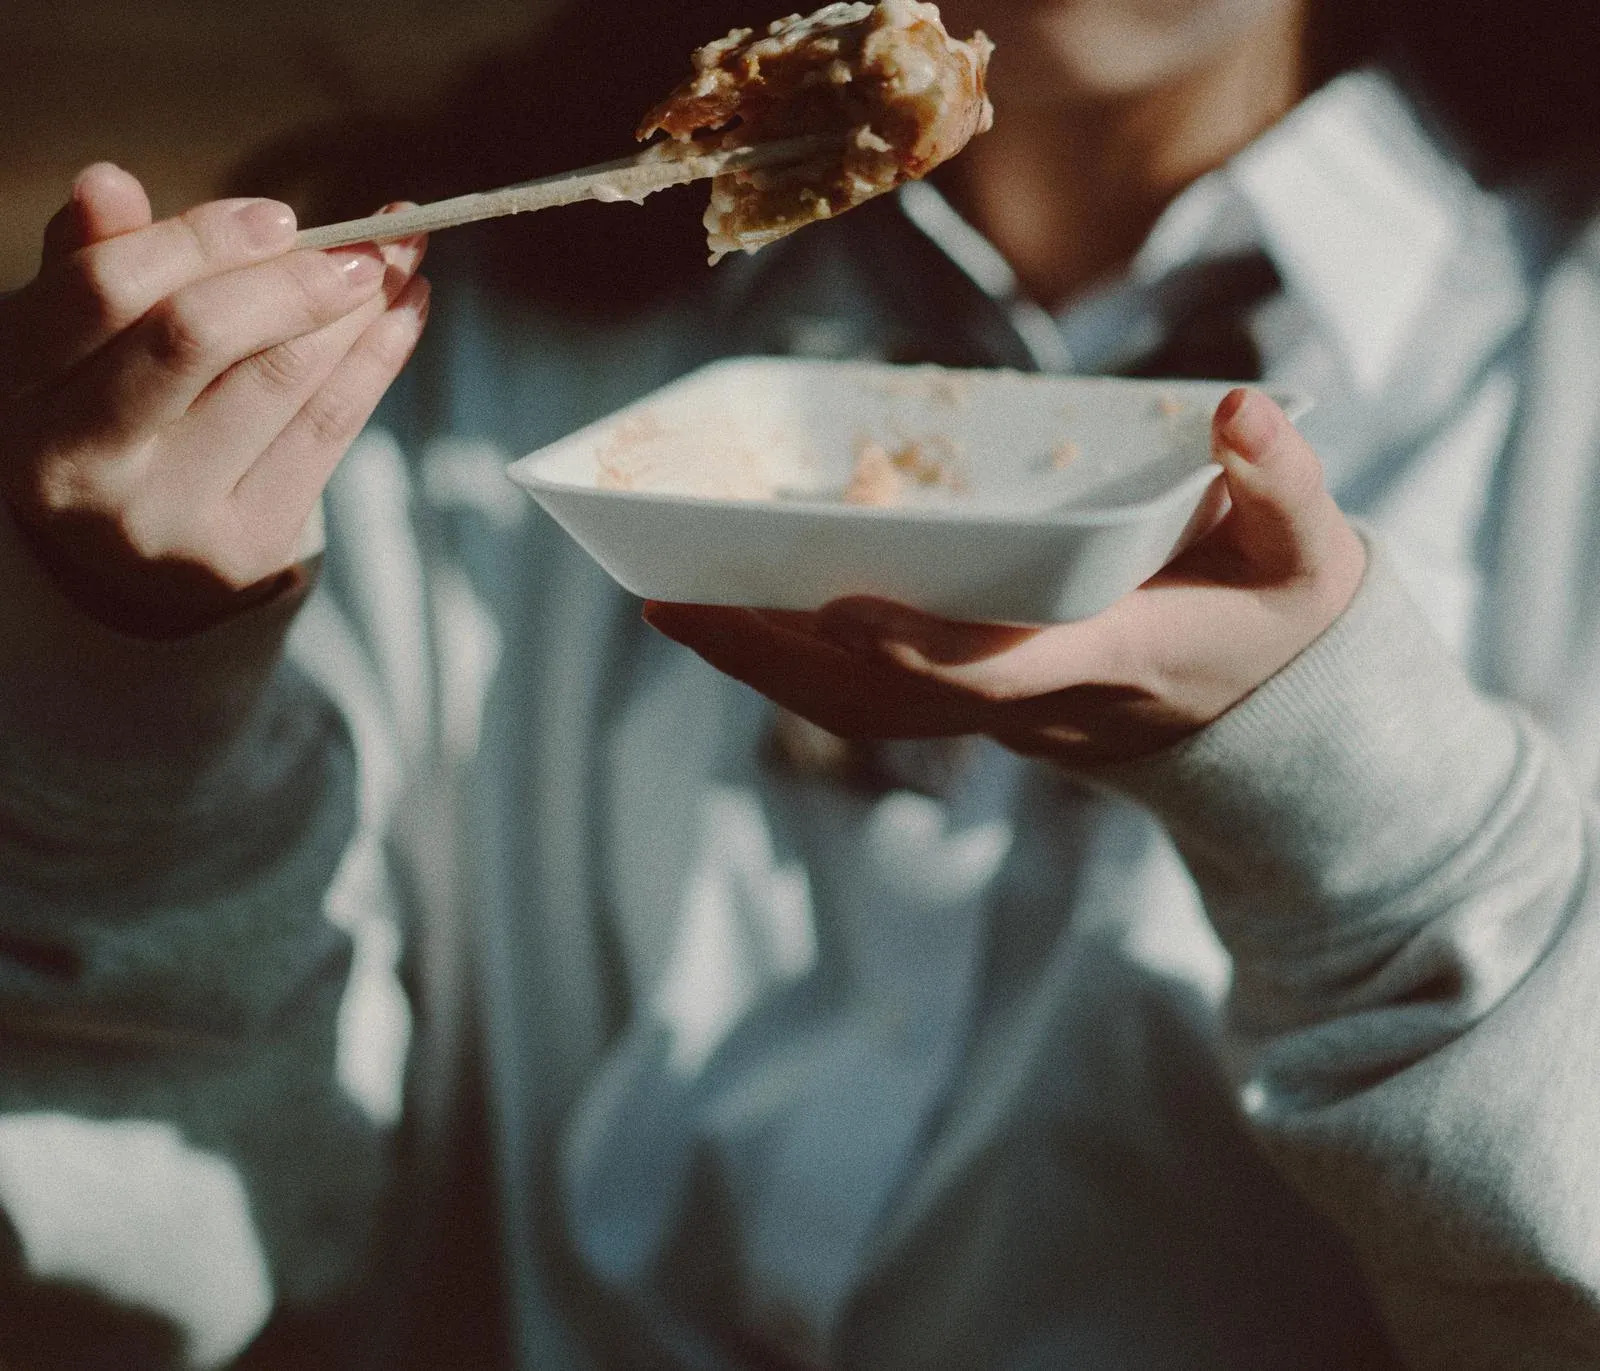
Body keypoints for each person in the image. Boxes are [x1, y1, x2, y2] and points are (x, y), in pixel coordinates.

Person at [1, 0, 1598, 1367]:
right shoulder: (450, 373)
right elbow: (162, 1241)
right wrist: (120, 705)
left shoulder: (1558, 384)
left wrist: (1361, 803)